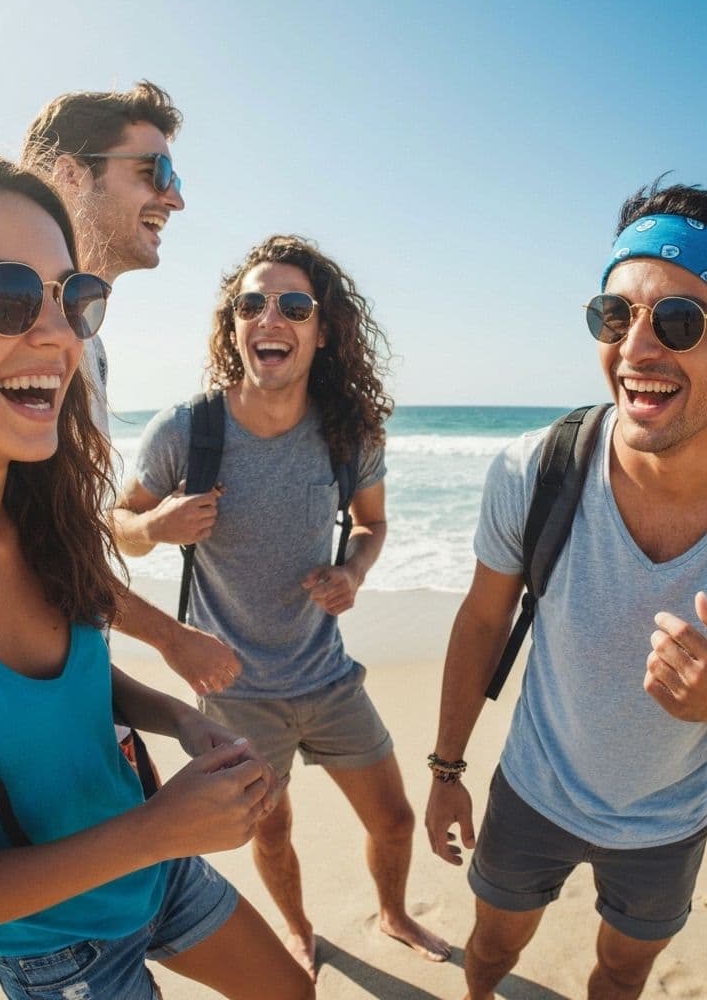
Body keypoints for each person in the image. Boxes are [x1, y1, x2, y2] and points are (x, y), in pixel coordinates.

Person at [0, 155, 314, 1000]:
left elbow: (56, 689)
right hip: (56, 950)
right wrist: (160, 829)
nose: (60, 334)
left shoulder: (42, 516)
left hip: (157, 870)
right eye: (6, 295)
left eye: (72, 298)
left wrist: (177, 720)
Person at [424, 180, 707, 1000]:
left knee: (620, 975)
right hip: (531, 791)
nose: (636, 349)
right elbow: (482, 619)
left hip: (665, 825)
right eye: (615, 317)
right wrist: (445, 770)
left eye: (680, 321)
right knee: (490, 951)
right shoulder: (537, 469)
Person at [112, 234, 452, 979]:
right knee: (272, 831)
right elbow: (117, 526)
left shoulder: (348, 432)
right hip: (233, 688)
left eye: (294, 306)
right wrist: (156, 526)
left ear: (322, 331)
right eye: (252, 304)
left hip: (328, 677)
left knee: (395, 820)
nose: (271, 318)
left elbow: (371, 524)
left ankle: (393, 915)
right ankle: (300, 930)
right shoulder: (187, 431)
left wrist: (353, 570)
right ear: (234, 326)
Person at [22, 80, 240, 697]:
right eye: (154, 172)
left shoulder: (88, 342)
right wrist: (170, 637)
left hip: (70, 683)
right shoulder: (23, 334)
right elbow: (31, 546)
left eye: (174, 178)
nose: (174, 198)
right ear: (70, 175)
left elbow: (76, 539)